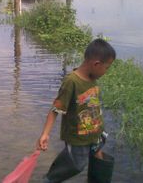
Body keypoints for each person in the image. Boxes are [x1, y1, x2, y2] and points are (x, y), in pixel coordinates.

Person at [36, 38, 115, 182]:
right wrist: (45, 134)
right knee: (75, 165)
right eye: (106, 68)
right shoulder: (71, 82)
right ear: (96, 64)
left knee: (99, 158)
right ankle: (48, 180)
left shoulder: (92, 77)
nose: (106, 72)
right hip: (77, 138)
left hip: (95, 133)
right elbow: (56, 109)